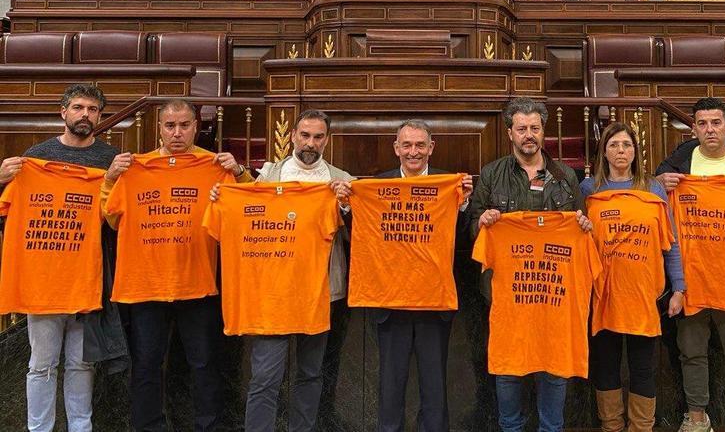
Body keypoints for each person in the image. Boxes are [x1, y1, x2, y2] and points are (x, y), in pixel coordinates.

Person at [103, 99, 251, 431]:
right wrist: (111, 180)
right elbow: (111, 219)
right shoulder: (133, 169)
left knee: (204, 364)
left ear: (196, 127)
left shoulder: (214, 166)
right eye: (170, 126)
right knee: (146, 365)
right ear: (158, 129)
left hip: (196, 282)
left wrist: (239, 173)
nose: (177, 133)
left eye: (184, 125)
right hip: (145, 285)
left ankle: (208, 426)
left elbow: (249, 208)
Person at [211, 109, 355, 431]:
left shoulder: (341, 180)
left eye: (318, 137)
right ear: (292, 136)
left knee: (311, 373)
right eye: (305, 135)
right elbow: (247, 208)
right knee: (264, 376)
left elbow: (361, 233)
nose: (310, 143)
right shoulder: (269, 176)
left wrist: (346, 204)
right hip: (272, 293)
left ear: (327, 141)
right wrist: (225, 195)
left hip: (321, 292)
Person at [335, 119, 473, 432]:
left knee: (435, 387)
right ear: (396, 148)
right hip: (390, 302)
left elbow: (463, 242)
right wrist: (347, 206)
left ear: (431, 148)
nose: (414, 152)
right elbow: (361, 236)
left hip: (433, 302)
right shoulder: (376, 186)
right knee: (390, 386)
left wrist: (463, 206)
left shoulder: (447, 183)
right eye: (407, 145)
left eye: (420, 145)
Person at [0, 84, 122, 432]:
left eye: (94, 109)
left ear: (100, 116)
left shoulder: (108, 160)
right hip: (43, 281)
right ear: (63, 112)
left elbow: (116, 215)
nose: (86, 115)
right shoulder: (35, 157)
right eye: (79, 107)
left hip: (88, 278)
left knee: (81, 364)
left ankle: (80, 427)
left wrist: (111, 181)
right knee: (41, 364)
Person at [470, 97, 590, 432]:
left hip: (554, 295)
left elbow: (583, 228)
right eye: (521, 128)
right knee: (508, 369)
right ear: (510, 133)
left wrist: (583, 226)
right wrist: (483, 221)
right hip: (505, 293)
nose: (529, 135)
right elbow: (471, 229)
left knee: (554, 368)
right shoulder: (492, 175)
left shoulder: (565, 176)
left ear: (543, 131)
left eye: (534, 128)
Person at [655, 97, 725, 432]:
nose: (709, 129)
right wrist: (660, 186)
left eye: (716, 122)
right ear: (693, 128)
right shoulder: (675, 167)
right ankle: (696, 417)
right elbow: (652, 208)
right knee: (691, 352)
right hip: (689, 280)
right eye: (702, 123)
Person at [581, 122, 685, 432]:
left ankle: (641, 428)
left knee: (642, 369)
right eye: (613, 145)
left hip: (643, 294)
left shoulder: (651, 187)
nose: (620, 151)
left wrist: (678, 286)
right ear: (604, 152)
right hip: (603, 294)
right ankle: (611, 426)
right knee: (606, 367)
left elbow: (671, 242)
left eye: (626, 144)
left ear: (635, 151)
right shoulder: (589, 190)